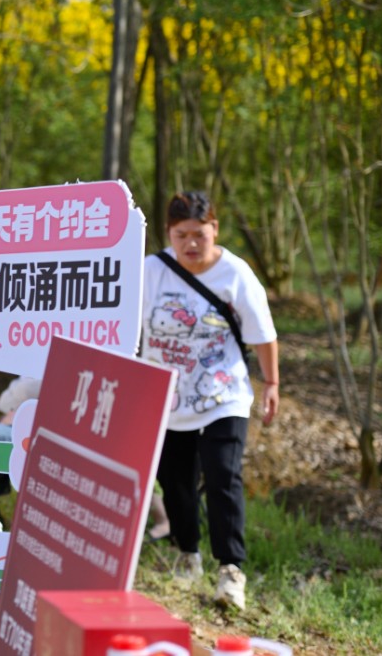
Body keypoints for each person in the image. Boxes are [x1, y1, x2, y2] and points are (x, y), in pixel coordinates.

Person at [139, 190, 281, 611]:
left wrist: (272, 383)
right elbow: (123, 323)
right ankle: (188, 553)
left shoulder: (236, 273)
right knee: (176, 482)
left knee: (223, 475)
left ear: (214, 230)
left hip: (225, 394)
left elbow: (263, 334)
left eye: (199, 234)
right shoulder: (150, 272)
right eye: (181, 235)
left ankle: (230, 570)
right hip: (167, 397)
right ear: (169, 233)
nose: (191, 243)